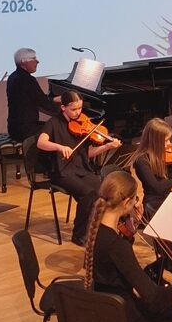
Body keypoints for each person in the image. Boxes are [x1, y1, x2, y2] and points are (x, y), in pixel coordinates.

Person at [84, 170, 172, 322]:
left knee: (166, 309)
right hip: (123, 318)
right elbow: (152, 295)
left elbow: (117, 261)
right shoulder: (117, 246)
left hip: (106, 307)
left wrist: (133, 226)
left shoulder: (96, 229)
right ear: (126, 203)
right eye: (135, 199)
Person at [36, 90, 121, 246]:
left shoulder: (83, 123)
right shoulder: (53, 123)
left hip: (82, 168)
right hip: (62, 171)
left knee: (104, 190)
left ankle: (99, 229)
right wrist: (59, 147)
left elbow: (88, 153)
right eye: (73, 109)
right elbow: (41, 143)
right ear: (63, 108)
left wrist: (107, 146)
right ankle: (80, 234)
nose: (78, 112)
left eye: (80, 108)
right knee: (88, 194)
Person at [130, 118, 172, 214]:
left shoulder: (161, 156)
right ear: (154, 141)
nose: (170, 144)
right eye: (166, 141)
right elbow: (157, 188)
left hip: (167, 198)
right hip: (153, 203)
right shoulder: (141, 160)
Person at [6, 48, 60, 142]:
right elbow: (45, 103)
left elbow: (36, 99)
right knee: (60, 130)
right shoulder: (27, 79)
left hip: (14, 128)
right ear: (24, 61)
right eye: (34, 58)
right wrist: (64, 106)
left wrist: (53, 100)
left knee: (54, 126)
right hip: (26, 130)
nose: (37, 61)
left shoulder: (13, 76)